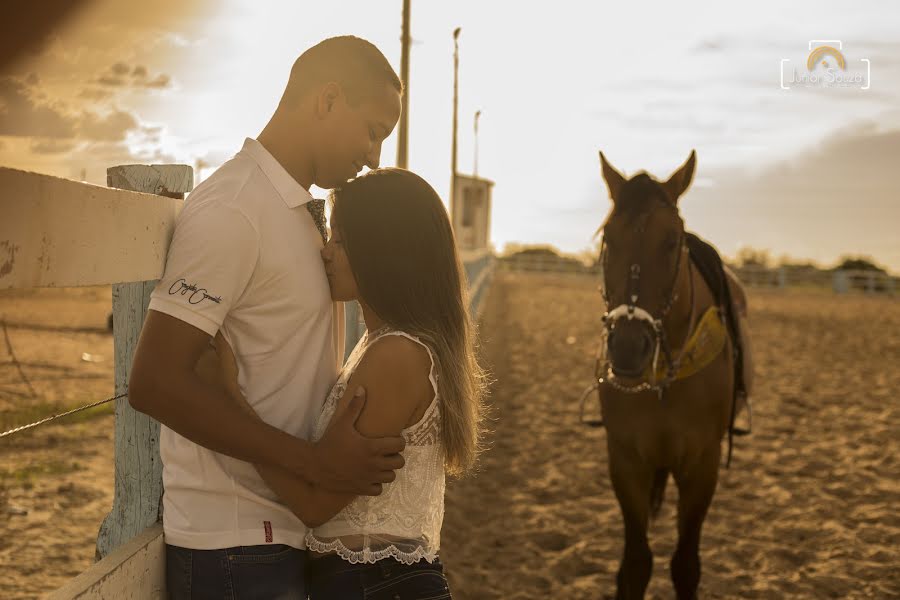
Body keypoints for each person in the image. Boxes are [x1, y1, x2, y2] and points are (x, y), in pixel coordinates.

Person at [127, 36, 404, 599]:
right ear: (327, 100)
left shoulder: (299, 212)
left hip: (283, 531)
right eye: (373, 130)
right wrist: (314, 464)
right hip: (233, 542)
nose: (375, 155)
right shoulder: (234, 208)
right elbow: (154, 382)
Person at [202, 168, 488, 599]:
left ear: (381, 251)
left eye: (340, 240)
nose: (326, 254)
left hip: (376, 584)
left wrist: (230, 399)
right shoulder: (390, 345)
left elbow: (315, 506)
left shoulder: (396, 356)